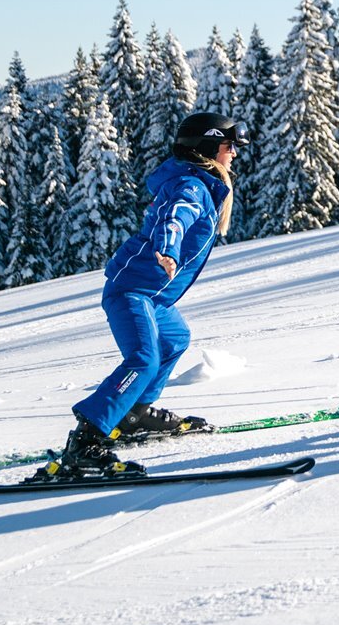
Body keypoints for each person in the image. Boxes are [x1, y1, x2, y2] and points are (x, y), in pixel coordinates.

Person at [46, 111, 248, 477]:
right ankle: (86, 439)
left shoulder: (201, 183)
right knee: (142, 358)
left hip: (154, 296)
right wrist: (168, 249)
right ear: (207, 147)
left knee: (174, 338)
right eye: (228, 145)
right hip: (132, 290)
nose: (233, 153)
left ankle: (135, 413)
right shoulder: (191, 187)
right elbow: (174, 217)